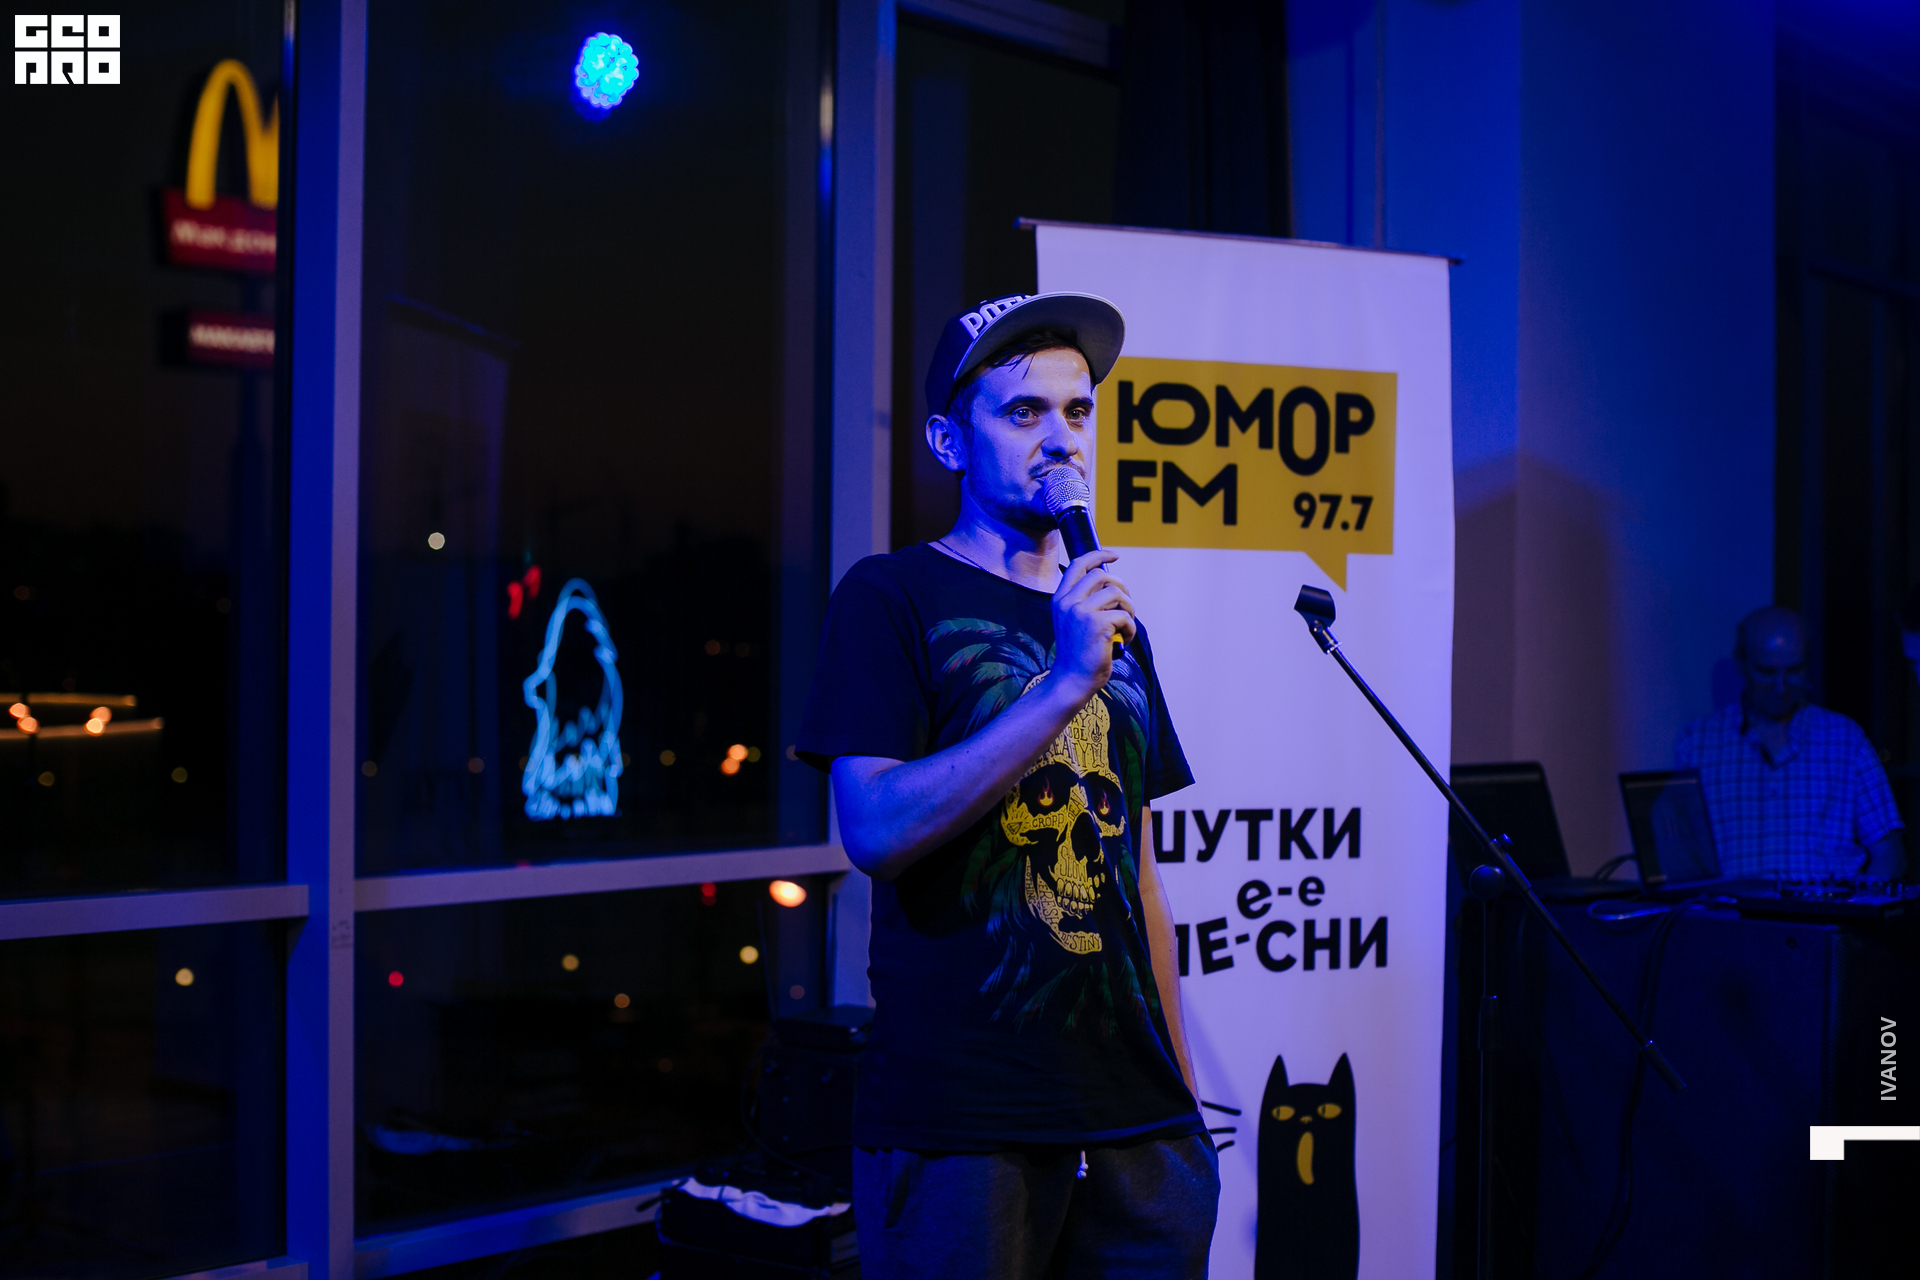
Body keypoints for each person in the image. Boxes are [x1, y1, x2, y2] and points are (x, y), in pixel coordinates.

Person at [795, 293, 1217, 1278]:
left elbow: (1139, 878)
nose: (1060, 438)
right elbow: (874, 827)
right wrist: (1062, 682)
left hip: (1138, 1116)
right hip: (963, 1117)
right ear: (949, 441)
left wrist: (1185, 1098)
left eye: (1077, 410)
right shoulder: (891, 596)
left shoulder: (1111, 622)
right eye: (1023, 411)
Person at [1677, 606, 1905, 880]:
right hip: (1732, 908)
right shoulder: (1699, 743)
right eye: (1766, 672)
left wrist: (1864, 902)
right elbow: (1682, 856)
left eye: (1794, 671)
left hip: (1827, 907)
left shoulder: (1845, 739)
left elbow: (1888, 852)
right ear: (1741, 663)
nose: (1780, 686)